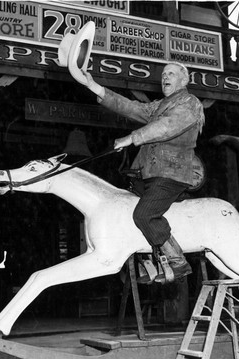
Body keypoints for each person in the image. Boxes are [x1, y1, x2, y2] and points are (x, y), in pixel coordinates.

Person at [80, 62, 204, 281]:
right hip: (148, 173)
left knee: (144, 214)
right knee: (126, 212)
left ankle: (178, 262)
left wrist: (132, 138)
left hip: (171, 173)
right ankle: (149, 262)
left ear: (183, 80)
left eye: (171, 74)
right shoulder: (161, 105)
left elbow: (167, 126)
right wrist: (95, 88)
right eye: (164, 74)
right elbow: (132, 107)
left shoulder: (189, 104)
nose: (165, 77)